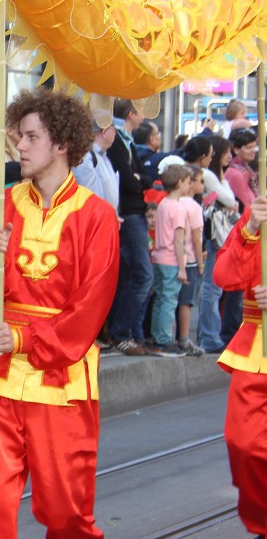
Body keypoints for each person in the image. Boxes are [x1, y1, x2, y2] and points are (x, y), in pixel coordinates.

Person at [0, 89, 120, 539]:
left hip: (61, 381)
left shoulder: (96, 217)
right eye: (16, 136)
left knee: (65, 512)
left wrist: (28, 340)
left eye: (30, 137)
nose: (19, 147)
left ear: (63, 144)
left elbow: (89, 309)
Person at [213, 195, 267, 539]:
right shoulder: (256, 215)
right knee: (242, 442)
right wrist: (250, 230)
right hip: (255, 349)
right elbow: (225, 277)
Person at [107, 99, 155, 356]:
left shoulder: (125, 140)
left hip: (131, 212)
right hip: (128, 213)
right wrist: (139, 181)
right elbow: (127, 178)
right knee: (142, 275)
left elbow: (139, 176)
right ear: (132, 113)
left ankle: (123, 332)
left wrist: (140, 180)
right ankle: (121, 332)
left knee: (129, 276)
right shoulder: (117, 140)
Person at [201, 135, 240, 352]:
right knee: (212, 288)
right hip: (215, 237)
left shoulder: (217, 176)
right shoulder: (207, 175)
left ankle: (210, 336)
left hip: (222, 236)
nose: (229, 156)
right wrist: (230, 204)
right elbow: (230, 201)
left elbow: (229, 199)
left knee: (215, 288)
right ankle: (209, 337)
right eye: (226, 152)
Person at [150, 164, 192, 356]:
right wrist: (182, 268)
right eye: (188, 181)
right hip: (171, 260)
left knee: (160, 299)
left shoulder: (163, 204)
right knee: (169, 301)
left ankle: (158, 337)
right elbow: (178, 240)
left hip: (158, 257)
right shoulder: (178, 208)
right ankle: (165, 341)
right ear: (180, 183)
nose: (189, 185)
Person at [176, 167, 206, 356]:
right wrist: (201, 264)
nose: (203, 185)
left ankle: (173, 337)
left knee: (173, 301)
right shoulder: (194, 207)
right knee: (186, 302)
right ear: (190, 183)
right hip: (191, 259)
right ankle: (184, 339)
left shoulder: (174, 202)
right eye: (201, 181)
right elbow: (196, 238)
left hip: (175, 258)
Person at [73, 122, 120, 214]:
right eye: (114, 129)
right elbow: (88, 194)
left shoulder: (104, 157)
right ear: (104, 131)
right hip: (96, 220)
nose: (115, 133)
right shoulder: (86, 157)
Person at [227, 128, 259, 212]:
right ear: (236, 150)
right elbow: (246, 206)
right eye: (249, 147)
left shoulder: (247, 170)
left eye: (254, 147)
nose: (253, 151)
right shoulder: (235, 173)